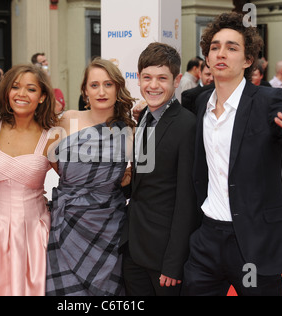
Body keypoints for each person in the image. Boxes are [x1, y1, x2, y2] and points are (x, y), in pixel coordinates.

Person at [182, 12, 282, 296]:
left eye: (232, 47)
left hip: (254, 241)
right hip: (206, 239)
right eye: (215, 47)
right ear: (206, 58)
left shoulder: (269, 101)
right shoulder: (196, 101)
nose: (221, 53)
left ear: (247, 61)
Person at [46, 58, 135, 296]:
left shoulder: (129, 129)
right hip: (67, 222)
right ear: (85, 90)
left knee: (107, 289)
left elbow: (137, 175)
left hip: (108, 225)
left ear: (118, 87)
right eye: (94, 85)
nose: (101, 91)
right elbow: (51, 160)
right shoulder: (65, 119)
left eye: (108, 84)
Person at [120, 42, 200, 296]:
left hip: (165, 258)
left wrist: (174, 263)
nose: (153, 85)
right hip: (134, 249)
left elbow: (187, 201)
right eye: (147, 78)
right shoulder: (143, 116)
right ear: (138, 78)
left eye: (162, 78)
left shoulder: (187, 125)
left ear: (176, 80)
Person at [0, 64, 58, 296]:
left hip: (34, 232)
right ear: (6, 92)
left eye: (31, 89)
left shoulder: (52, 135)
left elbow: (74, 179)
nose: (22, 94)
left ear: (43, 96)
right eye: (15, 87)